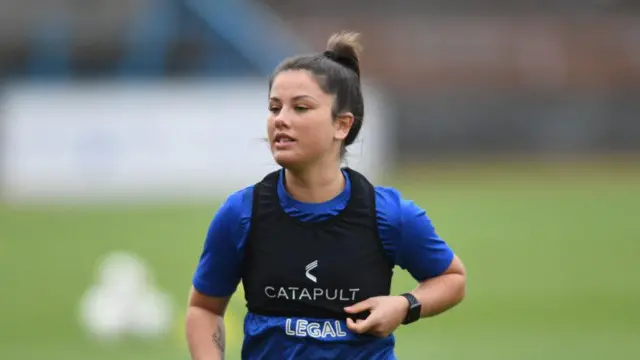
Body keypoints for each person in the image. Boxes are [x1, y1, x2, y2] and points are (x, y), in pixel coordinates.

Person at [186, 31, 467, 360]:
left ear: (342, 126)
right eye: (274, 108)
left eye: (300, 108)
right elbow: (204, 309)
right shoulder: (242, 214)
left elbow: (452, 279)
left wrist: (405, 306)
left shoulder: (389, 214)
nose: (281, 120)